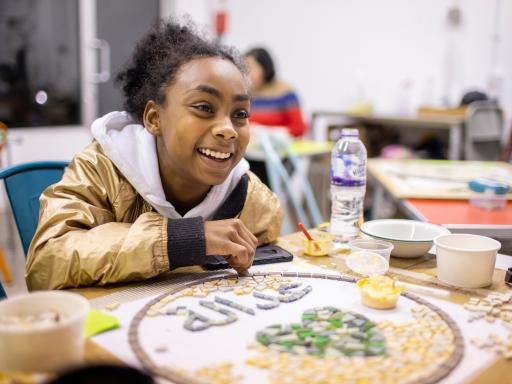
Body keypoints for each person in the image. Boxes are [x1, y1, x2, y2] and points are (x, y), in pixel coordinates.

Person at [25, 20, 283, 290]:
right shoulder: (101, 169)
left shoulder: (250, 196)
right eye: (204, 107)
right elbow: (45, 262)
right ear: (153, 118)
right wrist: (184, 239)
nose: (228, 130)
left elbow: (270, 243)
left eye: (240, 114)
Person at [244, 47, 307, 138]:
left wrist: (265, 132)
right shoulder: (247, 93)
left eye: (250, 68)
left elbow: (299, 128)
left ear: (264, 68)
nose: (246, 73)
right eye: (244, 68)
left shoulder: (286, 93)